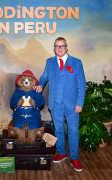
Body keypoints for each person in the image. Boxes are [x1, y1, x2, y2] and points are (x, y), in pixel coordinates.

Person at [34, 37, 86, 172]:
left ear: (66, 47)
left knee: (73, 131)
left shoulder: (76, 62)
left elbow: (81, 84)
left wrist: (80, 103)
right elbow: (44, 77)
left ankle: (74, 157)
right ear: (54, 48)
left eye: (62, 46)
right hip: (55, 104)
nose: (60, 48)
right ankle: (62, 152)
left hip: (72, 105)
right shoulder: (49, 62)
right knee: (59, 130)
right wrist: (40, 84)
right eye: (57, 46)